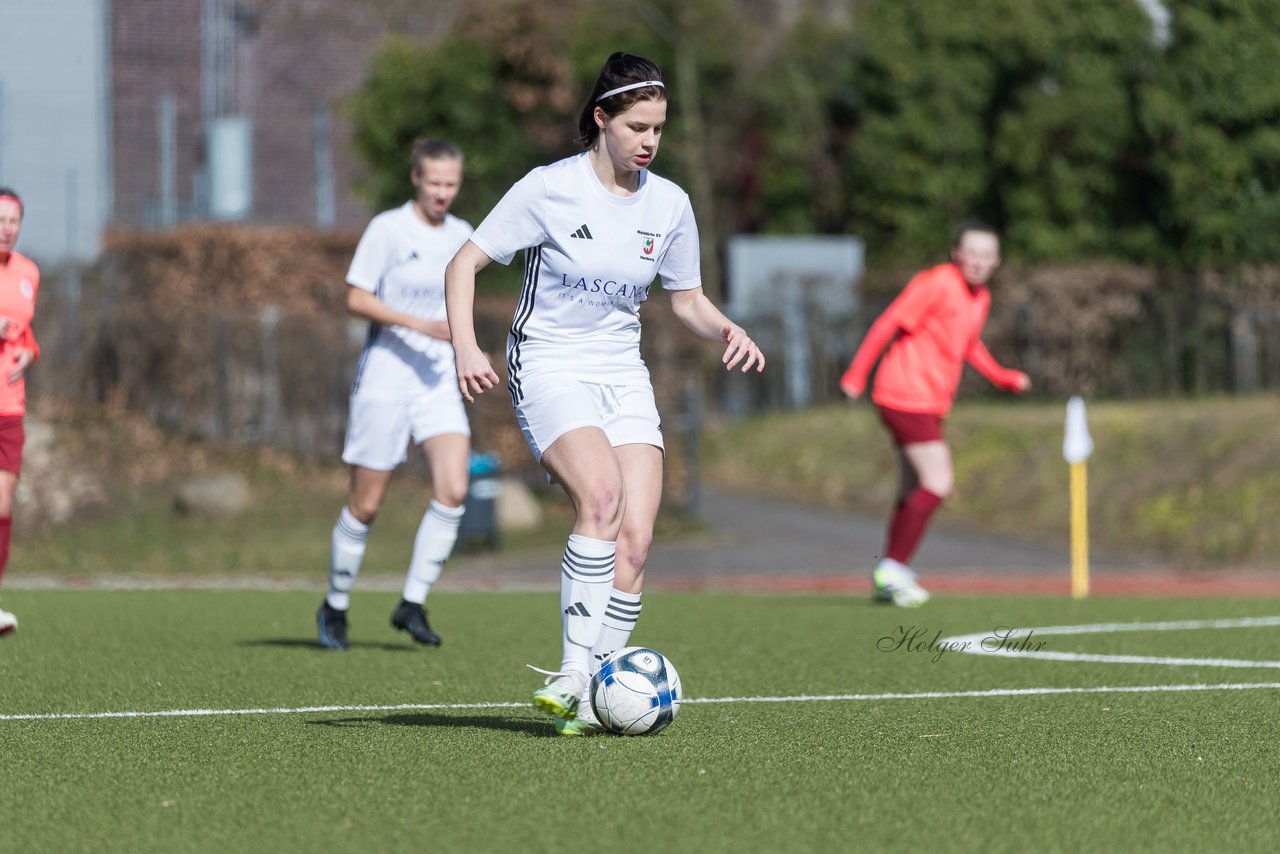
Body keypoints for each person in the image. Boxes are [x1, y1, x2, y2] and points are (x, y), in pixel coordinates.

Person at [445, 52, 764, 734]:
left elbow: (687, 299)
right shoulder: (547, 190)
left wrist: (726, 328)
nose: (650, 140)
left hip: (622, 373)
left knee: (639, 542)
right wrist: (467, 346)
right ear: (602, 119)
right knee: (602, 498)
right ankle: (570, 673)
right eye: (638, 126)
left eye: (659, 127)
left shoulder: (671, 204)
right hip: (550, 364)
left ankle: (598, 693)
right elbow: (463, 264)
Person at [316, 140, 474, 650]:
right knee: (366, 504)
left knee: (454, 489)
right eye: (434, 183)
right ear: (416, 178)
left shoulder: (464, 236)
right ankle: (335, 605)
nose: (442, 193)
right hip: (386, 377)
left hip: (436, 382)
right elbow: (356, 296)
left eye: (451, 184)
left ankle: (412, 603)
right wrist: (419, 324)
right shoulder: (388, 229)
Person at [840, 221, 1029, 607]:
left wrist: (1001, 377)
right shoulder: (937, 283)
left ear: (996, 261)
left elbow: (968, 344)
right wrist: (856, 373)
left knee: (914, 489)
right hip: (904, 394)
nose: (978, 261)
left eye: (987, 254)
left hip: (928, 401)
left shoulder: (980, 298)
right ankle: (893, 568)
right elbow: (888, 322)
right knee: (938, 482)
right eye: (972, 252)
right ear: (956, 254)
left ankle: (891, 574)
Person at [0, 187, 41, 637]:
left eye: (13, 220)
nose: (6, 228)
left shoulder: (29, 271)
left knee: (3, 503)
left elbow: (25, 333)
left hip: (9, 408)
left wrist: (31, 351)